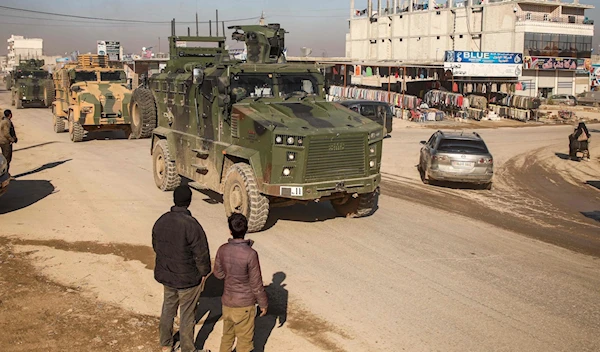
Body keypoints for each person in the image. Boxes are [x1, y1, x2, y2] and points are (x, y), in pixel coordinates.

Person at [152, 185, 212, 352]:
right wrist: (204, 273)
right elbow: (201, 254)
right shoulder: (192, 225)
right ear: (189, 202)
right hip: (188, 280)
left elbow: (156, 246)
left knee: (168, 308)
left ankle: (165, 344)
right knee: (187, 315)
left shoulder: (161, 220)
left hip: (167, 276)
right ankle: (187, 349)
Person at [214, 214, 268, 352]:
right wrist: (263, 304)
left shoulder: (222, 249)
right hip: (244, 305)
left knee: (226, 337)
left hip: (227, 302)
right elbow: (256, 283)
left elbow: (218, 274)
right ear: (246, 229)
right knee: (244, 342)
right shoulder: (251, 254)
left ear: (230, 231)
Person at [0, 109, 17, 177]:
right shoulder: (7, 122)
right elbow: (6, 133)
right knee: (7, 159)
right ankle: (5, 175)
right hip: (5, 142)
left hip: (2, 141)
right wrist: (12, 139)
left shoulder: (2, 120)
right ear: (10, 115)